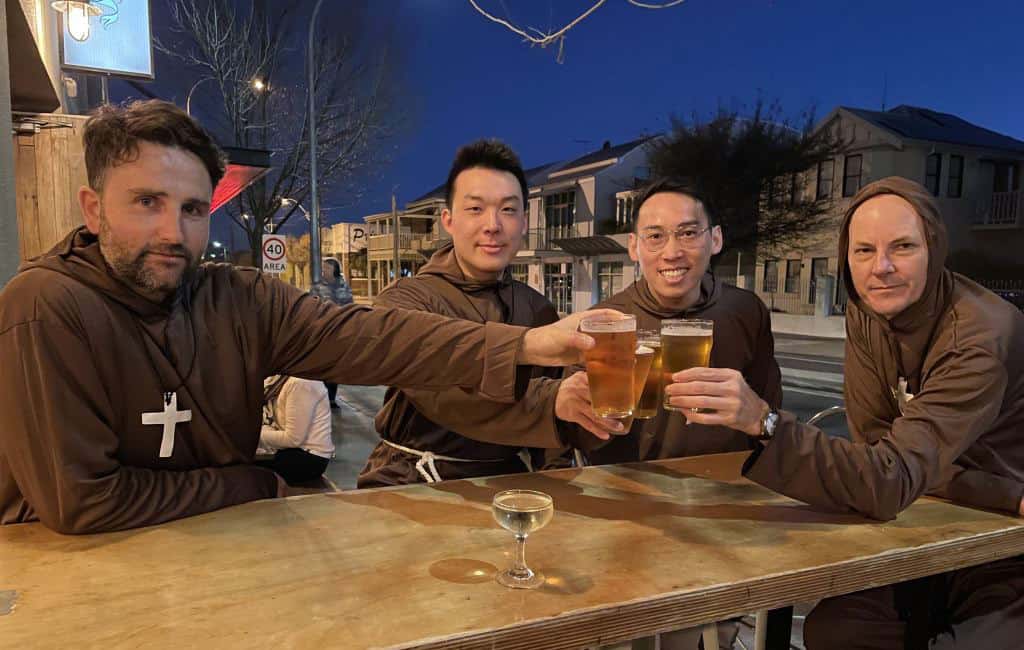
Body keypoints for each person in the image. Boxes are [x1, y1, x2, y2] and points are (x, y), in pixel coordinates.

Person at [0, 100, 612, 534]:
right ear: (92, 206)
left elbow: (374, 337)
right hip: (77, 575)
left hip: (214, 545)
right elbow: (82, 503)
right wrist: (251, 484)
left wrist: (528, 345)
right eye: (146, 203)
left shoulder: (235, 299)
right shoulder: (47, 307)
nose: (172, 231)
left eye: (191, 208)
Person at [666, 177, 1024, 649]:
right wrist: (974, 486)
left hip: (1004, 545)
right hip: (931, 518)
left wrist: (764, 422)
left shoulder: (980, 338)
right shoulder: (866, 308)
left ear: (934, 249)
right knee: (835, 629)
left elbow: (886, 479)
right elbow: (876, 451)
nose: (883, 268)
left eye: (903, 246)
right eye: (863, 251)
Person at [359, 139, 616, 487]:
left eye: (508, 210)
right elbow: (448, 399)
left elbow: (558, 420)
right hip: (411, 481)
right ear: (447, 220)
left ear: (524, 222)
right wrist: (552, 402)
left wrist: (593, 420)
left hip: (509, 485)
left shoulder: (535, 306)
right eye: (476, 209)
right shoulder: (405, 301)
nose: (493, 225)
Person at [582, 177, 782, 467]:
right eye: (655, 237)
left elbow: (770, 410)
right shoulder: (604, 322)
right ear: (634, 247)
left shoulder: (746, 310)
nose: (672, 252)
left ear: (715, 239)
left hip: (728, 485)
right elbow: (568, 433)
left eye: (688, 233)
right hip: (626, 488)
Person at [257, 375, 333, 484]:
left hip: (308, 458)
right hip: (289, 451)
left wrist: (254, 436)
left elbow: (293, 439)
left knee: (242, 469)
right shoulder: (276, 378)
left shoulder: (301, 382)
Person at [320, 257, 352, 408]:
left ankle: (331, 397)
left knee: (335, 366)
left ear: (334, 270)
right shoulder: (318, 287)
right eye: (323, 268)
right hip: (321, 333)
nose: (323, 271)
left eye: (326, 268)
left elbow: (349, 305)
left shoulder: (343, 286)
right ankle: (322, 395)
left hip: (338, 331)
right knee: (321, 365)